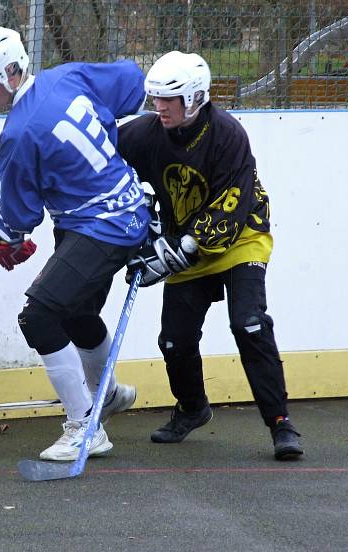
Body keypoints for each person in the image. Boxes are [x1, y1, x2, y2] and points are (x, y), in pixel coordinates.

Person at [0, 25, 150, 461]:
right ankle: (110, 394)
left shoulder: (19, 133)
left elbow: (16, 221)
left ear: (10, 71)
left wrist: (2, 239)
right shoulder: (66, 76)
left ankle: (86, 427)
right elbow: (131, 83)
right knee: (77, 312)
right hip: (125, 208)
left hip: (101, 226)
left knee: (39, 317)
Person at [117, 51, 304, 461]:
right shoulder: (146, 133)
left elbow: (232, 205)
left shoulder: (228, 134)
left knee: (249, 325)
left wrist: (175, 252)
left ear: (196, 98)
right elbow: (108, 161)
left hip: (240, 239)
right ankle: (191, 408)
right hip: (184, 245)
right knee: (174, 340)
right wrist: (137, 223)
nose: (159, 107)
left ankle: (280, 424)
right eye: (156, 98)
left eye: (170, 99)